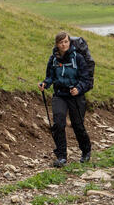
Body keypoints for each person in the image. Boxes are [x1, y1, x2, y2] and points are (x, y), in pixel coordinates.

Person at [39, 31, 92, 167]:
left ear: (70, 42)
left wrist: (78, 88)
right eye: (61, 42)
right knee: (58, 123)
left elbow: (86, 79)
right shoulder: (54, 59)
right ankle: (62, 156)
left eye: (66, 42)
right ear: (57, 44)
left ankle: (86, 152)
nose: (64, 45)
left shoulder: (78, 58)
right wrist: (45, 84)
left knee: (77, 125)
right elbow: (50, 76)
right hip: (60, 95)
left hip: (76, 96)